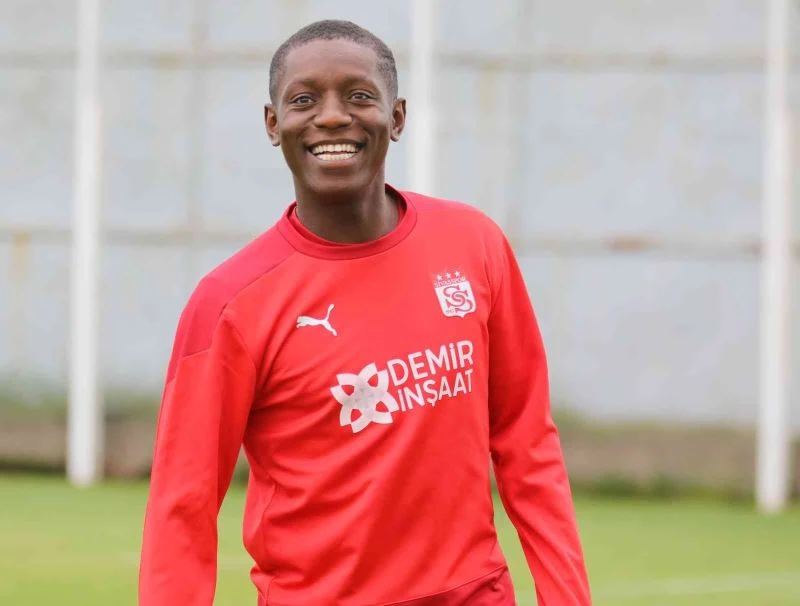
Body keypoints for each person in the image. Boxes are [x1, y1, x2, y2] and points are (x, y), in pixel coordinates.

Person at [139, 19, 591, 606]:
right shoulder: (229, 303)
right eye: (304, 100)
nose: (332, 116)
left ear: (396, 117)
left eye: (358, 95)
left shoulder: (474, 244)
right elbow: (183, 503)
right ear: (273, 124)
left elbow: (527, 444)